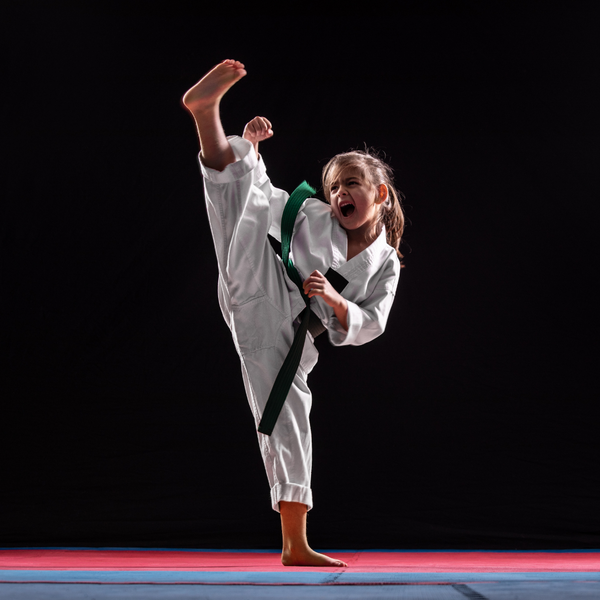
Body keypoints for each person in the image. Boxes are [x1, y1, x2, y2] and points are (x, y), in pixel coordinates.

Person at [182, 60, 404, 567]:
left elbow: (372, 322)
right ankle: (205, 113)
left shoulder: (386, 262)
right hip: (263, 272)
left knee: (290, 418)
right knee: (242, 191)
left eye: (351, 184)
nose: (340, 193)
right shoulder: (319, 213)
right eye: (334, 187)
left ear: (380, 194)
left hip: (284, 324)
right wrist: (254, 152)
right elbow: (271, 203)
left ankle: (294, 542)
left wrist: (334, 300)